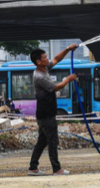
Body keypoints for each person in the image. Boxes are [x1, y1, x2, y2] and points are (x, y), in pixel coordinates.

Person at [28, 45, 78, 176]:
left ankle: (33, 167)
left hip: (44, 112)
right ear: (38, 61)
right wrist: (68, 79)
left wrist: (67, 49)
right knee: (52, 141)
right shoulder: (40, 76)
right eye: (45, 57)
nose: (48, 59)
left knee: (42, 141)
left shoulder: (44, 69)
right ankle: (57, 169)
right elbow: (56, 88)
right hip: (46, 113)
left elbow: (56, 59)